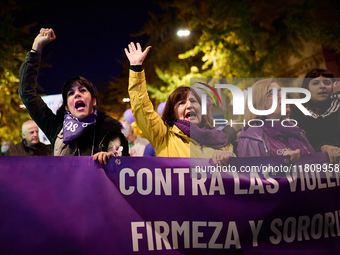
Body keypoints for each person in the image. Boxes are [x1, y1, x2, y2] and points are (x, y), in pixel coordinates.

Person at [19, 28, 128, 164]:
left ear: (94, 101)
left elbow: (122, 161)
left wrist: (112, 158)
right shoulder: (57, 128)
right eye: (71, 93)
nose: (77, 94)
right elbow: (27, 93)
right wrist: (36, 48)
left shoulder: (109, 131)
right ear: (66, 106)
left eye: (82, 90)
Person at [125, 42, 234, 165]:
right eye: (181, 103)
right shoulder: (163, 137)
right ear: (172, 113)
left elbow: (239, 176)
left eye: (193, 101)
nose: (189, 105)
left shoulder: (221, 141)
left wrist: (231, 158)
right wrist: (136, 68)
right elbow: (142, 108)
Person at [237, 78, 314, 163]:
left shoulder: (295, 130)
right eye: (273, 93)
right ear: (259, 105)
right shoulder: (252, 135)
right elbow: (251, 172)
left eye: (282, 91)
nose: (284, 95)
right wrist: (280, 162)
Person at [290, 68, 340, 163]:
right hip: (316, 169)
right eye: (315, 83)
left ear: (334, 86)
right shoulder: (298, 112)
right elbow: (318, 127)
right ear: (307, 89)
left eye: (327, 82)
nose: (322, 86)